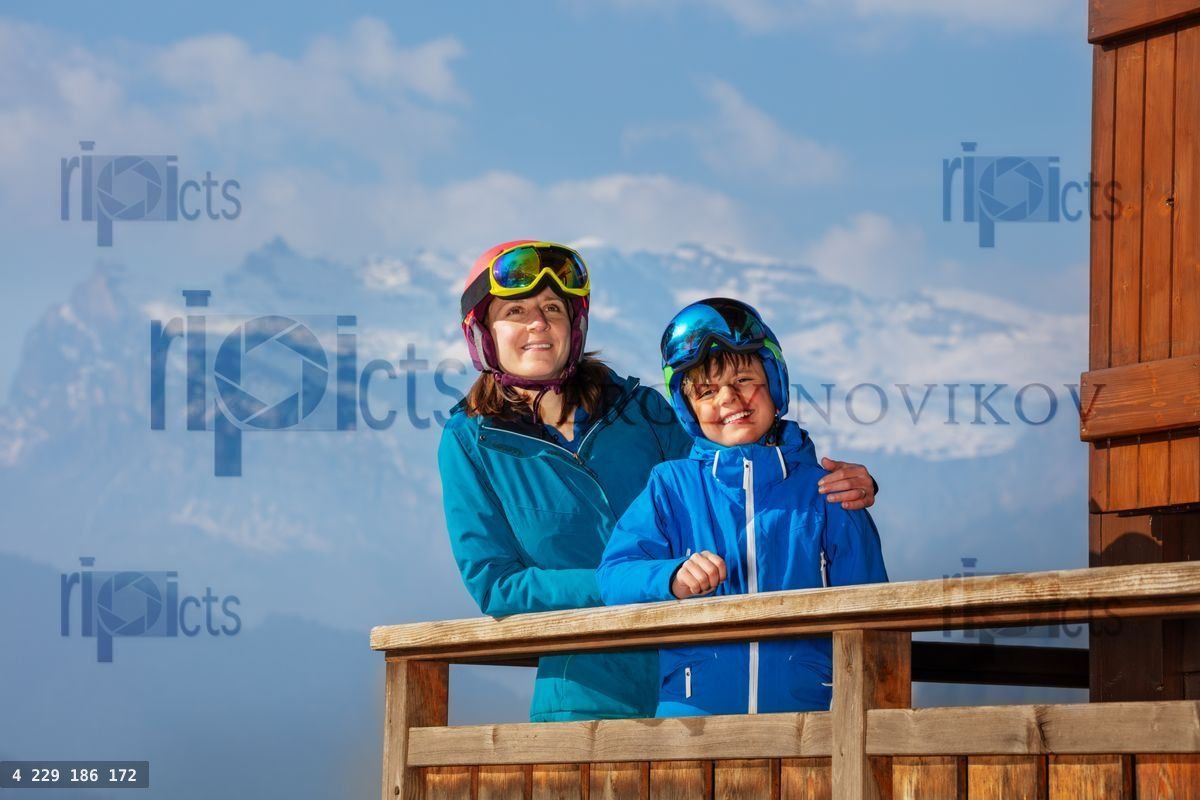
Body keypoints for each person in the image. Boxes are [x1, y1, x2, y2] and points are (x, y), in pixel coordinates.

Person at [438, 241, 880, 722]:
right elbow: (497, 585)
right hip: (586, 696)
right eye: (516, 311)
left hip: (702, 686)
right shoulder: (471, 440)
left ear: (574, 324)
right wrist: (638, 581)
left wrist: (830, 484)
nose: (538, 323)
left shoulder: (641, 410)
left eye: (552, 309)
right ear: (484, 333)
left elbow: (734, 472)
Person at [596, 297, 888, 717]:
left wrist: (862, 713)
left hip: (810, 719)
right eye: (707, 391)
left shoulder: (828, 494)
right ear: (689, 409)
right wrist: (671, 576)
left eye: (745, 380)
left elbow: (873, 615)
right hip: (692, 723)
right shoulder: (671, 487)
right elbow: (613, 577)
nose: (729, 398)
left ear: (774, 383)